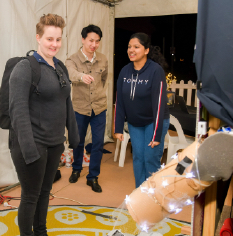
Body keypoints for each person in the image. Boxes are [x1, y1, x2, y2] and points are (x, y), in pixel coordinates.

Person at [9, 14, 79, 236]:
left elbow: (66, 102)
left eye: (58, 40)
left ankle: (41, 231)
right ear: (38, 38)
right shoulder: (25, 68)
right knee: (30, 196)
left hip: (54, 143)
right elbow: (17, 111)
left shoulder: (60, 67)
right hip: (32, 145)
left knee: (45, 191)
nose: (54, 45)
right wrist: (30, 151)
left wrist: (73, 138)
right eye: (50, 39)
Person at [114, 33, 170, 188]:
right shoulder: (125, 71)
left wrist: (157, 133)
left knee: (150, 158)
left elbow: (158, 104)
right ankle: (140, 194)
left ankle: (153, 198)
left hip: (154, 121)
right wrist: (118, 127)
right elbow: (120, 102)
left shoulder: (155, 71)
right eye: (129, 47)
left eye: (136, 47)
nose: (131, 50)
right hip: (135, 123)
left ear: (146, 50)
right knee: (138, 157)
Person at [65, 24, 108, 193]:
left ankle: (93, 177)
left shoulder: (103, 59)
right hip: (80, 108)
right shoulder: (72, 59)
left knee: (98, 143)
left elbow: (104, 79)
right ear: (83, 39)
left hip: (99, 107)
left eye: (97, 41)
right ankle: (76, 169)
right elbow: (70, 74)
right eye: (91, 40)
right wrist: (82, 76)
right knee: (78, 141)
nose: (94, 44)